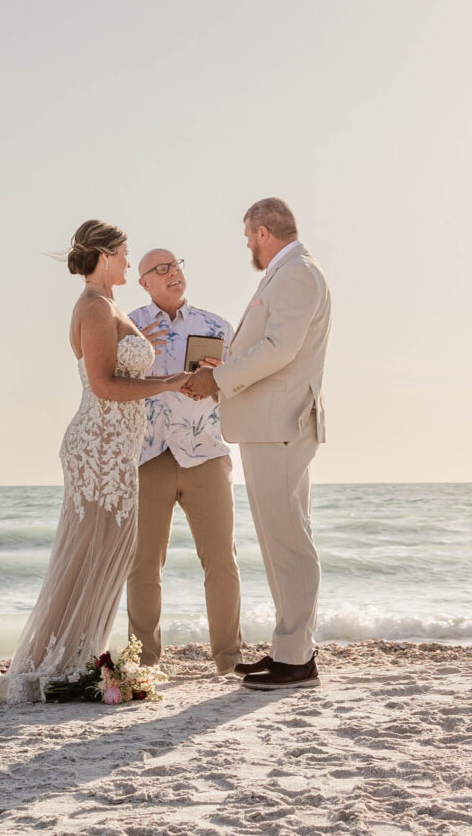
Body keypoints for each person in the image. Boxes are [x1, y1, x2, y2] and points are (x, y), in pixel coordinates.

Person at [0, 220, 189, 705]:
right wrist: (167, 383)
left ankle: (81, 659)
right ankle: (60, 666)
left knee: (109, 549)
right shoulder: (92, 307)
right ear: (105, 254)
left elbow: (118, 363)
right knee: (93, 549)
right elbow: (105, 384)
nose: (130, 263)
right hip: (98, 448)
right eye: (126, 253)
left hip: (115, 446)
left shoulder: (106, 306)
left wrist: (145, 342)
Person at [183, 196, 332, 689]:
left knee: (288, 539)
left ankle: (298, 659)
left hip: (280, 425)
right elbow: (266, 347)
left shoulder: (296, 274)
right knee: (278, 539)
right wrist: (220, 367)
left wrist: (220, 379)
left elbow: (280, 349)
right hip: (270, 425)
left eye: (249, 235)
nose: (248, 244)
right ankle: (289, 649)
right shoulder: (287, 274)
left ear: (264, 231)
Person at [125, 248, 243, 676]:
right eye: (161, 268)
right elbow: (112, 384)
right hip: (148, 455)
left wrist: (219, 378)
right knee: (142, 564)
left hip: (207, 455)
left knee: (221, 561)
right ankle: (144, 662)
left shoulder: (217, 326)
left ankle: (229, 658)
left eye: (176, 265)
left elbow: (238, 386)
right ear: (143, 282)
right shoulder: (130, 326)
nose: (172, 272)